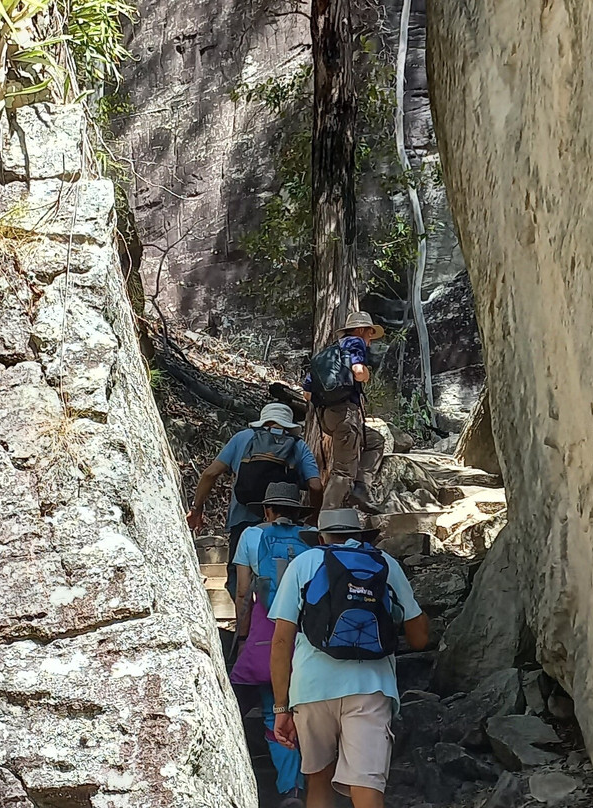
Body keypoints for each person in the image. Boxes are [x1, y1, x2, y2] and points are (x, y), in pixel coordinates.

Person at [268, 509, 429, 808]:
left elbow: (280, 641)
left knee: (318, 779)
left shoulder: (303, 563)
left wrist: (281, 707)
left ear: (320, 537)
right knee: (366, 785)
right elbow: (420, 638)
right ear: (360, 536)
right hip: (370, 686)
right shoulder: (384, 564)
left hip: (312, 688)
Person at [231, 482, 315, 808]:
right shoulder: (313, 535)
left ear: (267, 510)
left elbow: (242, 595)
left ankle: (290, 789)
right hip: (308, 638)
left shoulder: (250, 537)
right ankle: (317, 780)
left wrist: (241, 638)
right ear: (297, 511)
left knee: (273, 710)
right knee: (305, 708)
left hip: (268, 635)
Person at [186, 402, 322, 599]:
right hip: (283, 522)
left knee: (238, 578)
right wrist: (313, 517)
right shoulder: (298, 445)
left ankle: (246, 626)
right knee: (279, 577)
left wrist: (197, 509)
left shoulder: (243, 438)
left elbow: (210, 474)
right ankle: (274, 622)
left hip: (242, 519)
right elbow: (316, 486)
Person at [303, 311, 386, 512]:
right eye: (369, 333)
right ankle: (327, 518)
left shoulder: (327, 354)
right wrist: (365, 375)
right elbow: (358, 372)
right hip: (346, 415)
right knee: (342, 471)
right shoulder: (354, 343)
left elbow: (306, 393)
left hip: (327, 417)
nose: (369, 340)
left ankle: (361, 486)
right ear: (359, 330)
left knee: (375, 441)